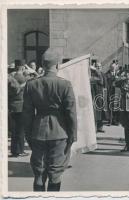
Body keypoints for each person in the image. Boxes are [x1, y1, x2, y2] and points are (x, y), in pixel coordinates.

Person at [22, 50, 77, 192]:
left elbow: (27, 114)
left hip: (38, 131)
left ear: (42, 65)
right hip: (60, 132)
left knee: (39, 173)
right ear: (58, 65)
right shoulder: (65, 85)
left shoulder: (31, 84)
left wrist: (28, 135)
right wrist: (73, 134)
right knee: (56, 173)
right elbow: (71, 113)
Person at [8, 69, 28, 157]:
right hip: (20, 107)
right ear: (22, 67)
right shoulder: (21, 77)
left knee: (14, 130)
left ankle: (14, 151)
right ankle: (20, 150)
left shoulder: (11, 77)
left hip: (12, 106)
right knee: (20, 130)